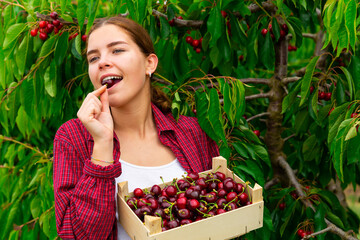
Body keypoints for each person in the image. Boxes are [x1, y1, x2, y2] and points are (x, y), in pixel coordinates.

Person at [53, 16, 219, 240]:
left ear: (149, 64)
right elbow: (75, 236)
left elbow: (219, 213)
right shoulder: (73, 137)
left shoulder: (192, 132)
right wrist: (102, 146)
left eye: (117, 50)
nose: (102, 62)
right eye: (93, 58)